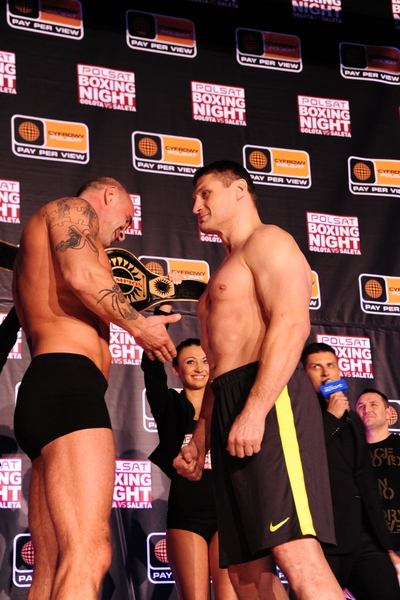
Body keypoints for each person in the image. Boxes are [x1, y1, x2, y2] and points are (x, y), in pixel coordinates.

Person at [173, 160, 345, 600]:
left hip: (270, 401)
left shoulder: (269, 241)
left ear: (239, 190)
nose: (196, 206)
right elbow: (219, 368)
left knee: (297, 554)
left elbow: (292, 325)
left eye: (205, 193)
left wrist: (255, 410)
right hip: (230, 401)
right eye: (194, 197)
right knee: (245, 574)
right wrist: (200, 436)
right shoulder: (223, 271)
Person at [12, 176, 180, 600]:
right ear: (109, 195)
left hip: (48, 390)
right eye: (127, 218)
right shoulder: (72, 210)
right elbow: (82, 275)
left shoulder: (39, 240)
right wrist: (141, 327)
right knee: (90, 553)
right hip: (69, 390)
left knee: (52, 566)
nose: (124, 232)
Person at [142, 299, 238, 600]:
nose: (199, 368)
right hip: (186, 516)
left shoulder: (229, 409)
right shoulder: (169, 406)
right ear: (176, 369)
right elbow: (151, 371)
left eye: (205, 361)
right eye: (190, 362)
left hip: (227, 514)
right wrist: (162, 312)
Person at [302, 342, 400, 599]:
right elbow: (304, 458)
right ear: (303, 373)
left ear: (339, 372)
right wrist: (331, 418)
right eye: (316, 367)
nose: (326, 373)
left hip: (365, 538)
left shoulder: (353, 419)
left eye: (331, 365)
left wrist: (385, 544)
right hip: (325, 539)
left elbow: (365, 482)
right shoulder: (298, 414)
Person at [356, 388, 400, 576]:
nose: (367, 410)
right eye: (361, 406)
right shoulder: (350, 455)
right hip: (370, 549)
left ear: (389, 413)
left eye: (373, 404)